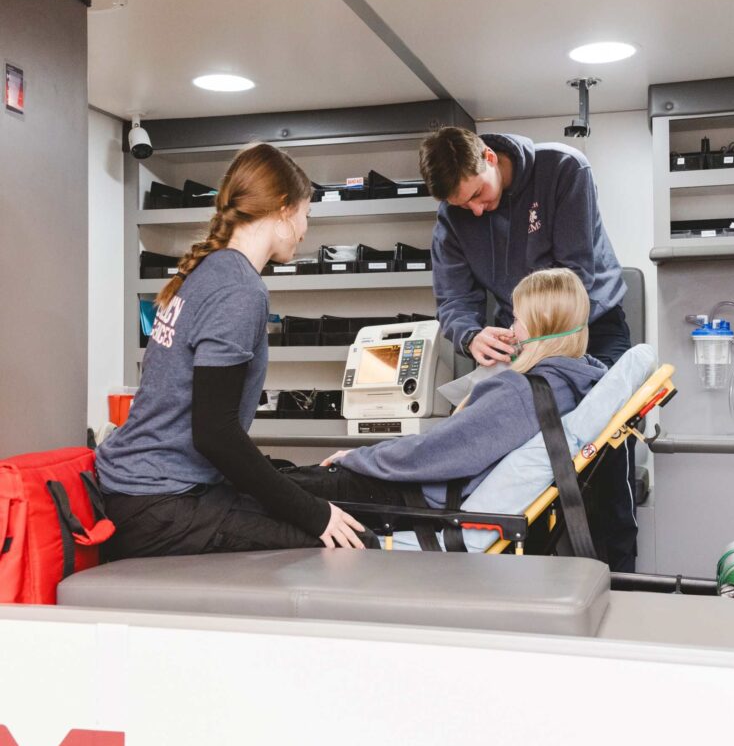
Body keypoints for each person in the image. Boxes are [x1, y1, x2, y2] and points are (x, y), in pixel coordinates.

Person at [96, 143, 368, 559]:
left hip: (141, 491)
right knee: (337, 547)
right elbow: (216, 434)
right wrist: (315, 515)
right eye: (305, 215)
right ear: (282, 209)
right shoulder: (240, 289)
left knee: (304, 504)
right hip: (157, 504)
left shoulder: (212, 271)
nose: (305, 230)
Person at [416, 127, 636, 571]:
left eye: (478, 194)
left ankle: (620, 576)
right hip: (518, 335)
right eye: (463, 206)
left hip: (590, 326)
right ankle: (529, 576)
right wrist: (471, 335)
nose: (475, 210)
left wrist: (534, 338)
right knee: (520, 459)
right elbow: (455, 301)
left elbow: (574, 276)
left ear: (490, 158)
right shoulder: (453, 216)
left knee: (607, 453)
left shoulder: (563, 170)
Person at [285, 269, 606, 534]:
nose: (511, 329)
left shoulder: (521, 391)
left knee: (272, 491)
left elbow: (434, 452)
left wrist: (357, 457)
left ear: (540, 324)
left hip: (413, 497)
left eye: (518, 319)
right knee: (278, 477)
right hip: (422, 487)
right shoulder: (573, 383)